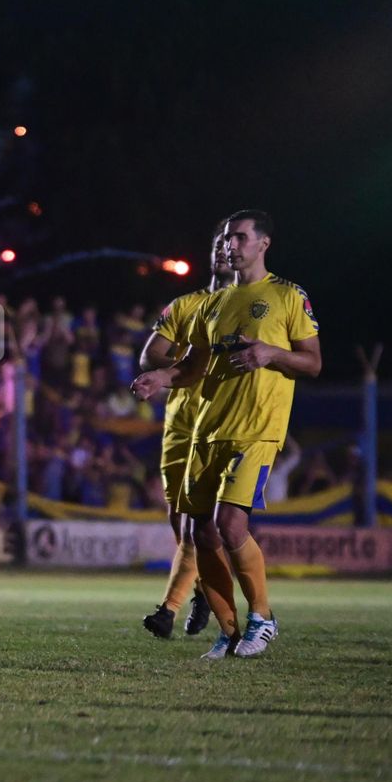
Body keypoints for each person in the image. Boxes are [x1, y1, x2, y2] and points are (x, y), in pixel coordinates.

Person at [132, 210, 320, 660]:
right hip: (206, 431)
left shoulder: (287, 296)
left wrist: (271, 352)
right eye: (225, 237)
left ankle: (263, 616)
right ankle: (230, 632)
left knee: (231, 523)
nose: (230, 244)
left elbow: (312, 362)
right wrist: (161, 378)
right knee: (201, 533)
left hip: (256, 430)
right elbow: (192, 367)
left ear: (263, 244)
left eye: (239, 236)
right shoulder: (210, 305)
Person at [136, 229, 232, 640]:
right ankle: (202, 593)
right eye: (217, 245)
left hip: (221, 423)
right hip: (179, 424)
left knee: (198, 524)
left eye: (231, 244)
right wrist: (184, 364)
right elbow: (149, 355)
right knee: (181, 525)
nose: (223, 252)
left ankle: (167, 610)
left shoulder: (253, 308)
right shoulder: (186, 305)